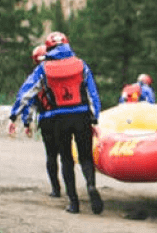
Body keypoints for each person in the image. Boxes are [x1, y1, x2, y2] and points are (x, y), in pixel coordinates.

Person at [10, 32, 104, 214]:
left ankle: (74, 203)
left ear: (49, 48)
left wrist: (14, 117)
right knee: (85, 157)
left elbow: (25, 93)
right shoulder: (80, 64)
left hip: (58, 119)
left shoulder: (43, 68)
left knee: (66, 159)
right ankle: (91, 185)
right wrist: (94, 117)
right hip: (82, 116)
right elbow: (92, 93)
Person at [10, 44, 63, 199]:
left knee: (51, 156)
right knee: (66, 156)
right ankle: (72, 189)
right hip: (65, 118)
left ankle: (56, 189)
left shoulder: (36, 77)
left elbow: (29, 102)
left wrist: (27, 123)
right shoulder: (62, 73)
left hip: (47, 120)